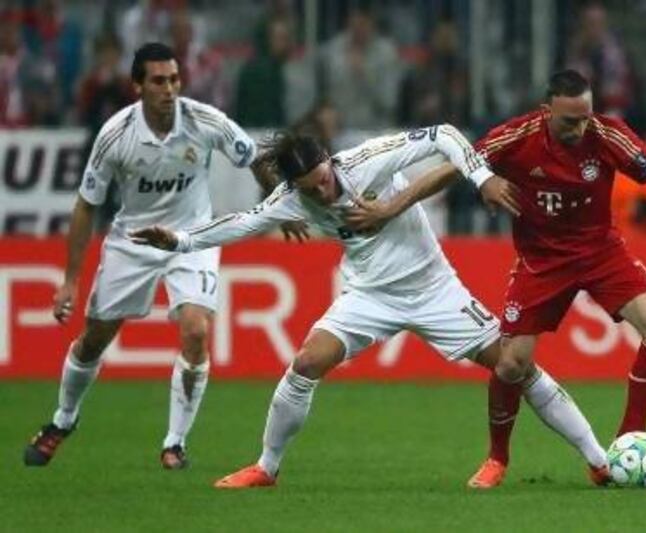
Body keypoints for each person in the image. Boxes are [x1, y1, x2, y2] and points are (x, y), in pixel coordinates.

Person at [130, 125, 614, 489]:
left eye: (323, 179)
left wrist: (482, 177)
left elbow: (445, 134)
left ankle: (598, 460)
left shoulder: (367, 161)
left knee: (515, 365)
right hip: (367, 296)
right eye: (310, 188)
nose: (322, 192)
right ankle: (266, 467)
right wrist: (177, 240)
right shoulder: (291, 200)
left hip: (433, 288)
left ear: (329, 161)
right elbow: (238, 224)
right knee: (306, 362)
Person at [464, 69, 646, 488]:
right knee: (511, 364)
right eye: (569, 120)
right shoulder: (517, 136)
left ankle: (630, 440)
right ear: (546, 111)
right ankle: (497, 458)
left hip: (600, 252)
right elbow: (462, 158)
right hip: (542, 261)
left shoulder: (607, 134)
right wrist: (483, 180)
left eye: (586, 117)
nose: (580, 128)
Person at [23, 42, 283, 470]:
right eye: (159, 81)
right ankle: (63, 420)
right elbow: (87, 203)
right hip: (135, 242)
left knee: (196, 331)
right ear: (138, 86)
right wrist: (70, 280)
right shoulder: (115, 135)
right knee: (94, 340)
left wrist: (279, 206)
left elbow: (254, 157)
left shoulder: (204, 121)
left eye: (174, 80)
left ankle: (175, 443)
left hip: (191, 238)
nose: (169, 89)